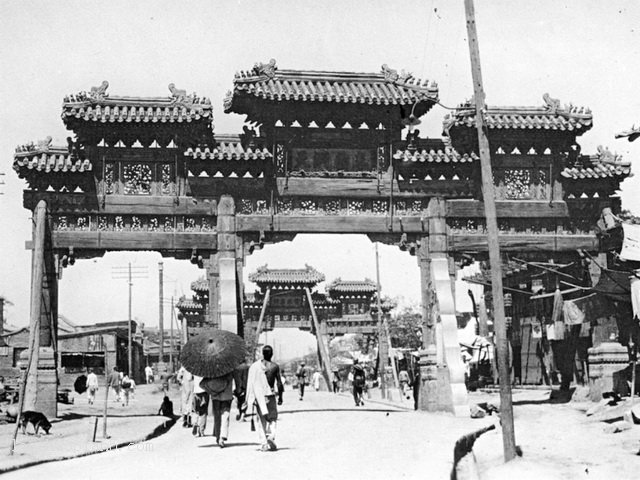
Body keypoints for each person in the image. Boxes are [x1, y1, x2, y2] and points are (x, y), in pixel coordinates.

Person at [246, 345, 284, 452]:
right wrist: (280, 397)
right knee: (272, 418)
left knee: (261, 419)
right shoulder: (274, 367)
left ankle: (263, 444)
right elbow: (279, 383)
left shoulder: (255, 367)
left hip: (259, 396)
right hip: (270, 395)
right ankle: (271, 436)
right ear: (272, 354)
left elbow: (251, 382)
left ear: (263, 354)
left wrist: (252, 397)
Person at [201, 372, 234, 448]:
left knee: (217, 417)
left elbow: (202, 384)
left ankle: (218, 436)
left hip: (215, 397)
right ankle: (223, 436)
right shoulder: (230, 369)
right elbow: (237, 381)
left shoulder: (212, 370)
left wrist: (211, 391)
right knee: (225, 415)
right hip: (227, 396)